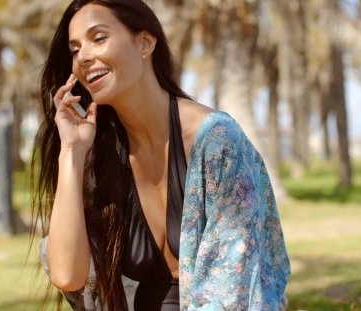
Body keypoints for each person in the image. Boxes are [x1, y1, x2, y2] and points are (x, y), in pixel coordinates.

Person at [31, 0, 290, 310]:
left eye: (99, 38)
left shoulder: (215, 142)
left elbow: (231, 295)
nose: (84, 57)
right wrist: (71, 152)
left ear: (145, 42)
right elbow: (67, 275)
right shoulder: (100, 153)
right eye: (74, 50)